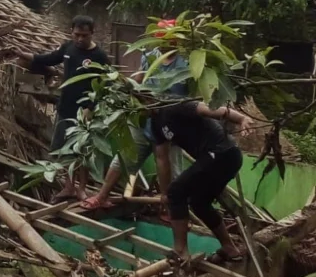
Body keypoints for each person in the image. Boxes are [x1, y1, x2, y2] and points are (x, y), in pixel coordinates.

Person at [82, 21, 189, 211]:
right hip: (144, 117)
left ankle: (171, 209)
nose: (165, 44)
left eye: (169, 40)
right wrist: (124, 86)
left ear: (176, 40)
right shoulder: (149, 57)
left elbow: (191, 97)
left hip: (171, 122)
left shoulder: (187, 64)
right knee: (124, 158)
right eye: (161, 40)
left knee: (173, 169)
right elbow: (138, 79)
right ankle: (102, 196)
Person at [16, 15, 110, 201]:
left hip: (85, 111)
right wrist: (23, 55)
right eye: (77, 35)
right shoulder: (67, 48)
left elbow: (104, 85)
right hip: (65, 107)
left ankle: (81, 189)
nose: (80, 39)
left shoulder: (99, 57)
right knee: (65, 150)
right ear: (71, 32)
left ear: (92, 33)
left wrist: (90, 108)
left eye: (84, 35)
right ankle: (68, 186)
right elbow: (48, 59)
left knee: (81, 151)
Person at [153, 100, 249, 264]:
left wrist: (240, 118)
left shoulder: (174, 105)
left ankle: (180, 251)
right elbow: (162, 159)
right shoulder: (155, 124)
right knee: (199, 203)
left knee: (177, 191)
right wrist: (164, 193)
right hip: (217, 157)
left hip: (224, 152)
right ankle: (229, 248)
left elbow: (209, 109)